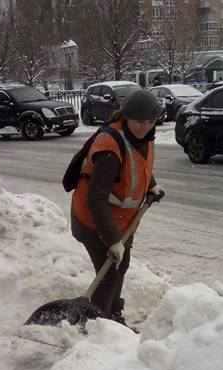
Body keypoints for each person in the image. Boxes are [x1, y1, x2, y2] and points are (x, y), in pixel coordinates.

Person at [71, 90, 166, 326]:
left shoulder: (143, 138)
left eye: (150, 121)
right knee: (109, 275)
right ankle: (98, 324)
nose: (145, 127)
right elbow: (96, 199)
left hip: (121, 221)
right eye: (139, 121)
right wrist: (112, 240)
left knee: (120, 266)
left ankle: (112, 315)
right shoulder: (109, 148)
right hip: (93, 221)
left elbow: (137, 167)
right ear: (127, 117)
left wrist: (152, 186)